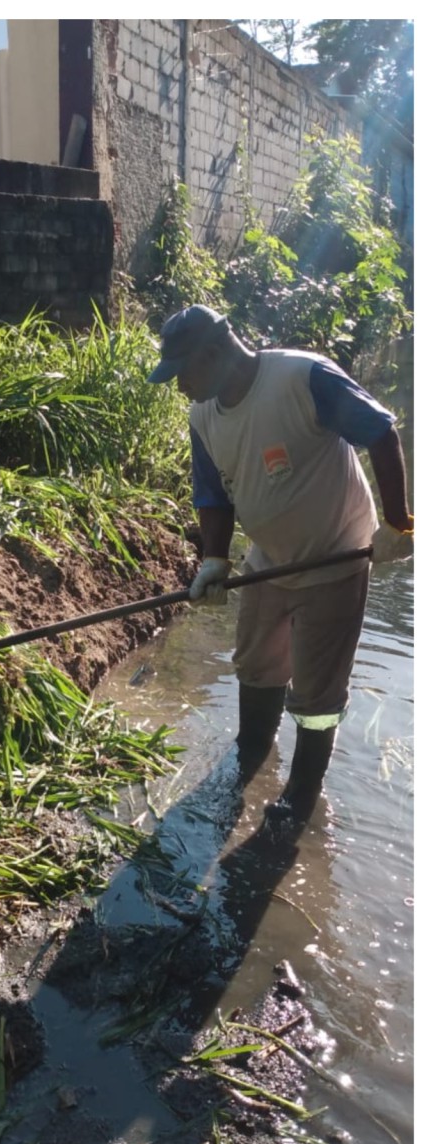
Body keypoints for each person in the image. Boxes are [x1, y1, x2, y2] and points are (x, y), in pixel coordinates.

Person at [147, 304, 413, 824]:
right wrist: (214, 560)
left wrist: (397, 522)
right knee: (255, 664)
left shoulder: (301, 377)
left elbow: (380, 432)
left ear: (213, 353)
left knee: (317, 695)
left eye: (183, 372)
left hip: (336, 557)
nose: (179, 386)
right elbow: (212, 494)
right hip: (267, 560)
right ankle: (251, 753)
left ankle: (301, 795)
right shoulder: (202, 416)